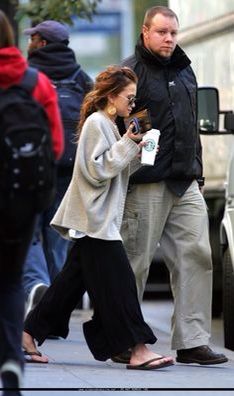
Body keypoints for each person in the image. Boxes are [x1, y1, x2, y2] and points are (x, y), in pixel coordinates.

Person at [23, 65, 174, 370]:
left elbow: (113, 172)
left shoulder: (109, 125)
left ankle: (26, 335)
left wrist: (138, 151)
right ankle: (138, 348)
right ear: (112, 95)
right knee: (121, 286)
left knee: (67, 287)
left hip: (99, 219)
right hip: (96, 220)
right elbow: (96, 171)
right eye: (129, 99)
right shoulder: (96, 123)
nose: (132, 105)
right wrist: (128, 144)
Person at [117, 5, 228, 365]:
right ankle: (124, 340)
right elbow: (122, 127)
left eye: (173, 33)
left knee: (197, 256)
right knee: (136, 262)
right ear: (146, 32)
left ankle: (192, 341)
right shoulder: (130, 71)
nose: (168, 39)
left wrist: (197, 170)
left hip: (185, 181)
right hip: (146, 182)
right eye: (162, 32)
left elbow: (191, 122)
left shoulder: (185, 71)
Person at [0, 10, 63, 394]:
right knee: (9, 284)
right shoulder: (35, 81)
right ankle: (10, 358)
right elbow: (54, 146)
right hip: (20, 202)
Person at [22, 20, 93, 316]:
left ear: (40, 42)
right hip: (70, 165)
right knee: (58, 234)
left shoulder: (29, 75)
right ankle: (55, 308)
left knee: (29, 230)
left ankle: (38, 285)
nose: (29, 42)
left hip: (33, 163)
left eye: (32, 38)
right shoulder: (81, 77)